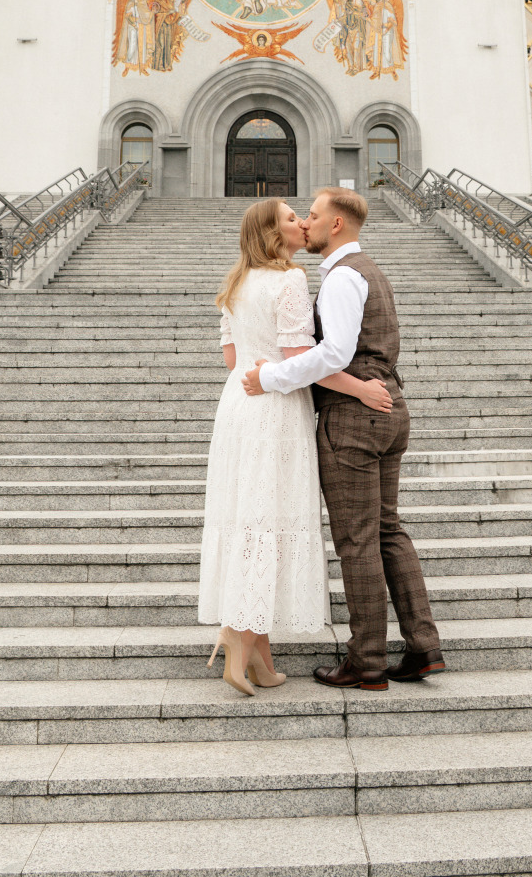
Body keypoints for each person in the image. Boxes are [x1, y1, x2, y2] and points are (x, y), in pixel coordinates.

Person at [243, 188, 444, 690]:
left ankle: (366, 660)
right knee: (387, 531)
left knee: (357, 540)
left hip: (354, 417)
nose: (304, 223)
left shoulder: (340, 277)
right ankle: (422, 647)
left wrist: (272, 376)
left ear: (336, 225)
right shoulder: (369, 270)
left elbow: (333, 354)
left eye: (311, 215)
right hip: (387, 406)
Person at [199, 198, 394, 696]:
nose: (301, 223)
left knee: (250, 519)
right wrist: (360, 388)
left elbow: (230, 359)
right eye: (291, 218)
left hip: (238, 408)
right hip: (276, 407)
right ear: (271, 233)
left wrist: (257, 371)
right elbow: (300, 359)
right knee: (270, 522)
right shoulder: (290, 280)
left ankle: (256, 653)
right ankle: (241, 644)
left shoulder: (235, 283)